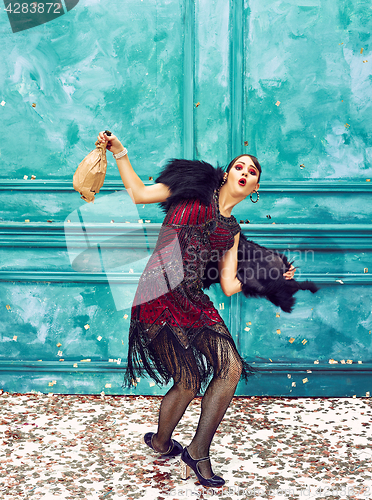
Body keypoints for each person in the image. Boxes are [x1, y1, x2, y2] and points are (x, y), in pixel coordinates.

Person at [97, 131, 296, 487]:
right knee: (188, 382)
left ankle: (197, 451)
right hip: (158, 293)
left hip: (193, 300)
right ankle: (160, 442)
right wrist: (120, 152)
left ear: (254, 190)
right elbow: (140, 194)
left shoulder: (232, 231)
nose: (245, 172)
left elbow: (231, 284)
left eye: (252, 173)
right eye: (240, 166)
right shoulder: (190, 191)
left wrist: (275, 276)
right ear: (226, 174)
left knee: (231, 368)